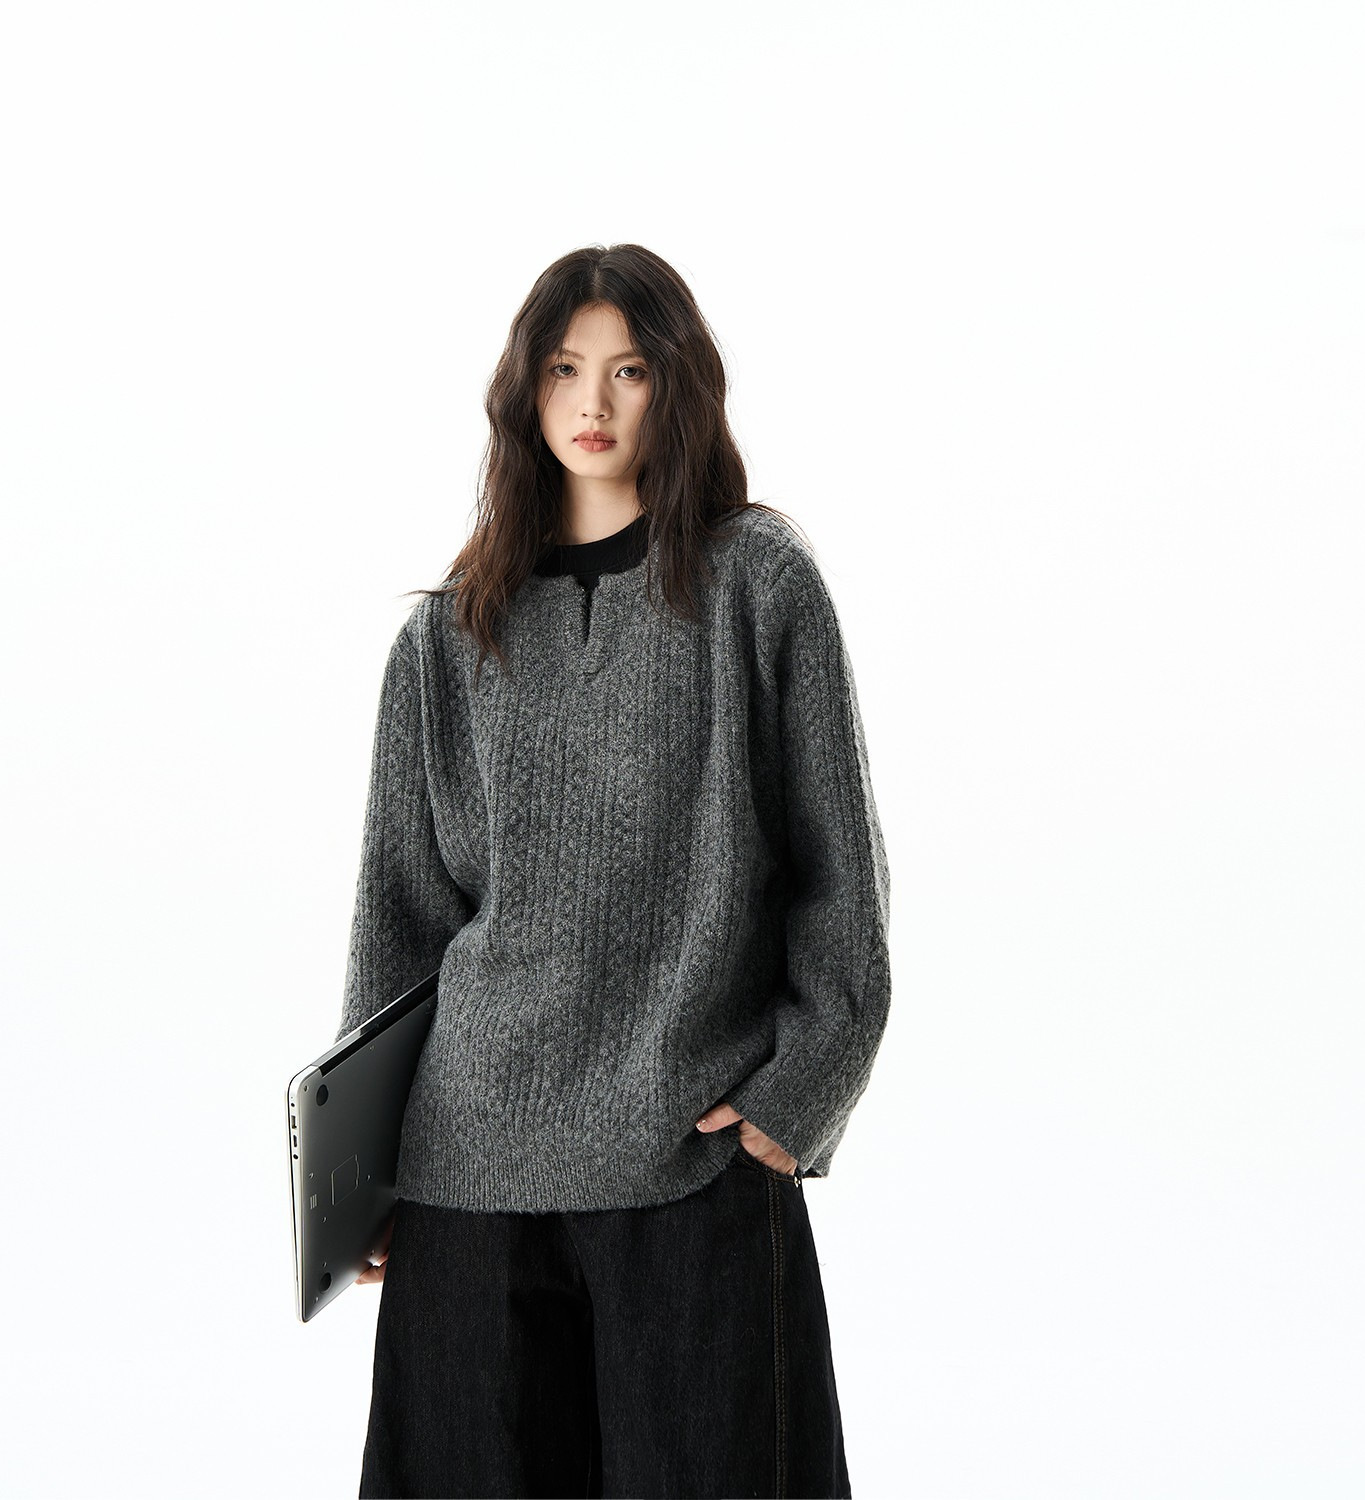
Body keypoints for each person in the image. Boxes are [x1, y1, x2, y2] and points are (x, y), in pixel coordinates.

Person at [336, 243, 892, 1499]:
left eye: (630, 370)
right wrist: (361, 1177)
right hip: (466, 1180)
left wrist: (800, 1089)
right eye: (564, 368)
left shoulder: (758, 584)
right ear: (523, 390)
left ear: (675, 385)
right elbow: (401, 923)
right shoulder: (444, 636)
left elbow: (839, 878)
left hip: (689, 1157)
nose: (593, 403)